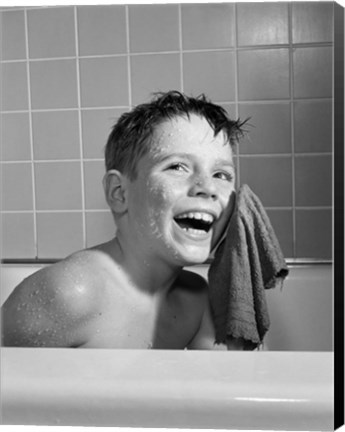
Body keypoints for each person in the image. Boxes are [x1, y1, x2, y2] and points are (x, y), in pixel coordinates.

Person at [1, 91, 246, 350]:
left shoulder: (196, 300)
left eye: (221, 174)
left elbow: (218, 384)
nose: (208, 187)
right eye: (177, 167)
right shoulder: (70, 293)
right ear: (119, 193)